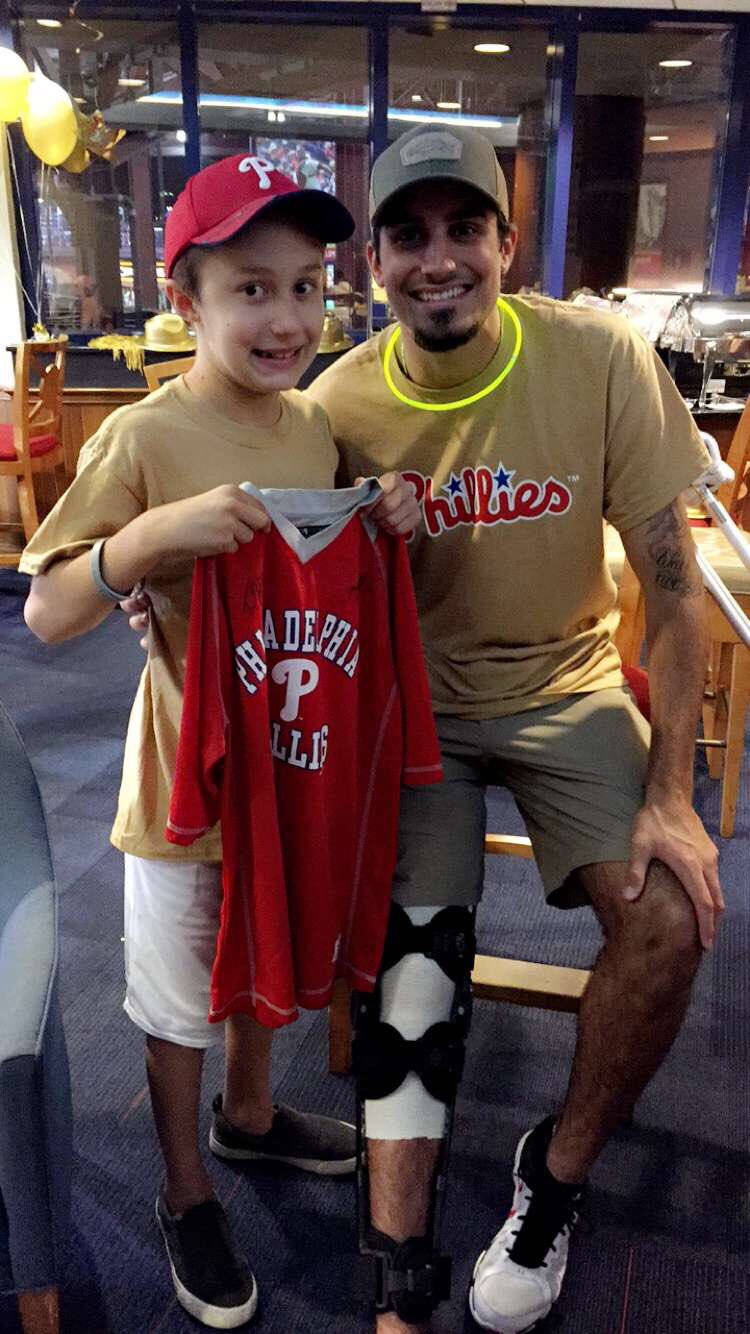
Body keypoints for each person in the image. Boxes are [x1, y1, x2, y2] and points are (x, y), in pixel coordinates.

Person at [307, 123, 724, 1334]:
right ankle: (398, 1261)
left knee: (671, 915)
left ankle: (555, 1174)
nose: (439, 261)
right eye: (409, 237)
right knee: (416, 953)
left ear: (504, 241)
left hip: (568, 685)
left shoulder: (599, 358)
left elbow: (674, 588)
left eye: (464, 231)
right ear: (375, 259)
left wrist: (669, 797)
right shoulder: (337, 402)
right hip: (416, 708)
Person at [20, 153, 420, 1331]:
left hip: (290, 760)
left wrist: (389, 505)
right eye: (253, 288)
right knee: (177, 989)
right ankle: (184, 1188)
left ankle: (251, 1117)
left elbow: (339, 549)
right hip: (180, 778)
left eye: (309, 286)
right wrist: (148, 542)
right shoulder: (143, 437)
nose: (289, 316)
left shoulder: (316, 427)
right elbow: (45, 611)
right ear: (185, 298)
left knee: (264, 953)